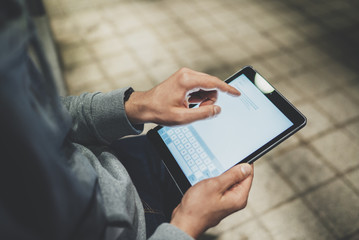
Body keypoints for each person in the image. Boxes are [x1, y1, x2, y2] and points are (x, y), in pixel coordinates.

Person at [0, 0, 254, 239]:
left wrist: (138, 104)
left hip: (107, 164)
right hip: (135, 228)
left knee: (187, 148)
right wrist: (185, 225)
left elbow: (48, 113)